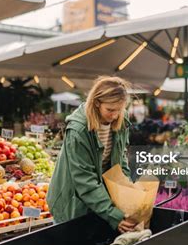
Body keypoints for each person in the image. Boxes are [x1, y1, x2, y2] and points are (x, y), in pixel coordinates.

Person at [47, 76, 136, 233]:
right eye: (110, 110)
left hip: (98, 200)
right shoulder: (78, 131)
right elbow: (85, 180)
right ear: (96, 103)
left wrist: (127, 195)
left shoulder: (121, 119)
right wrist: (112, 214)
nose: (115, 115)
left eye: (119, 110)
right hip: (72, 203)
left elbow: (120, 163)